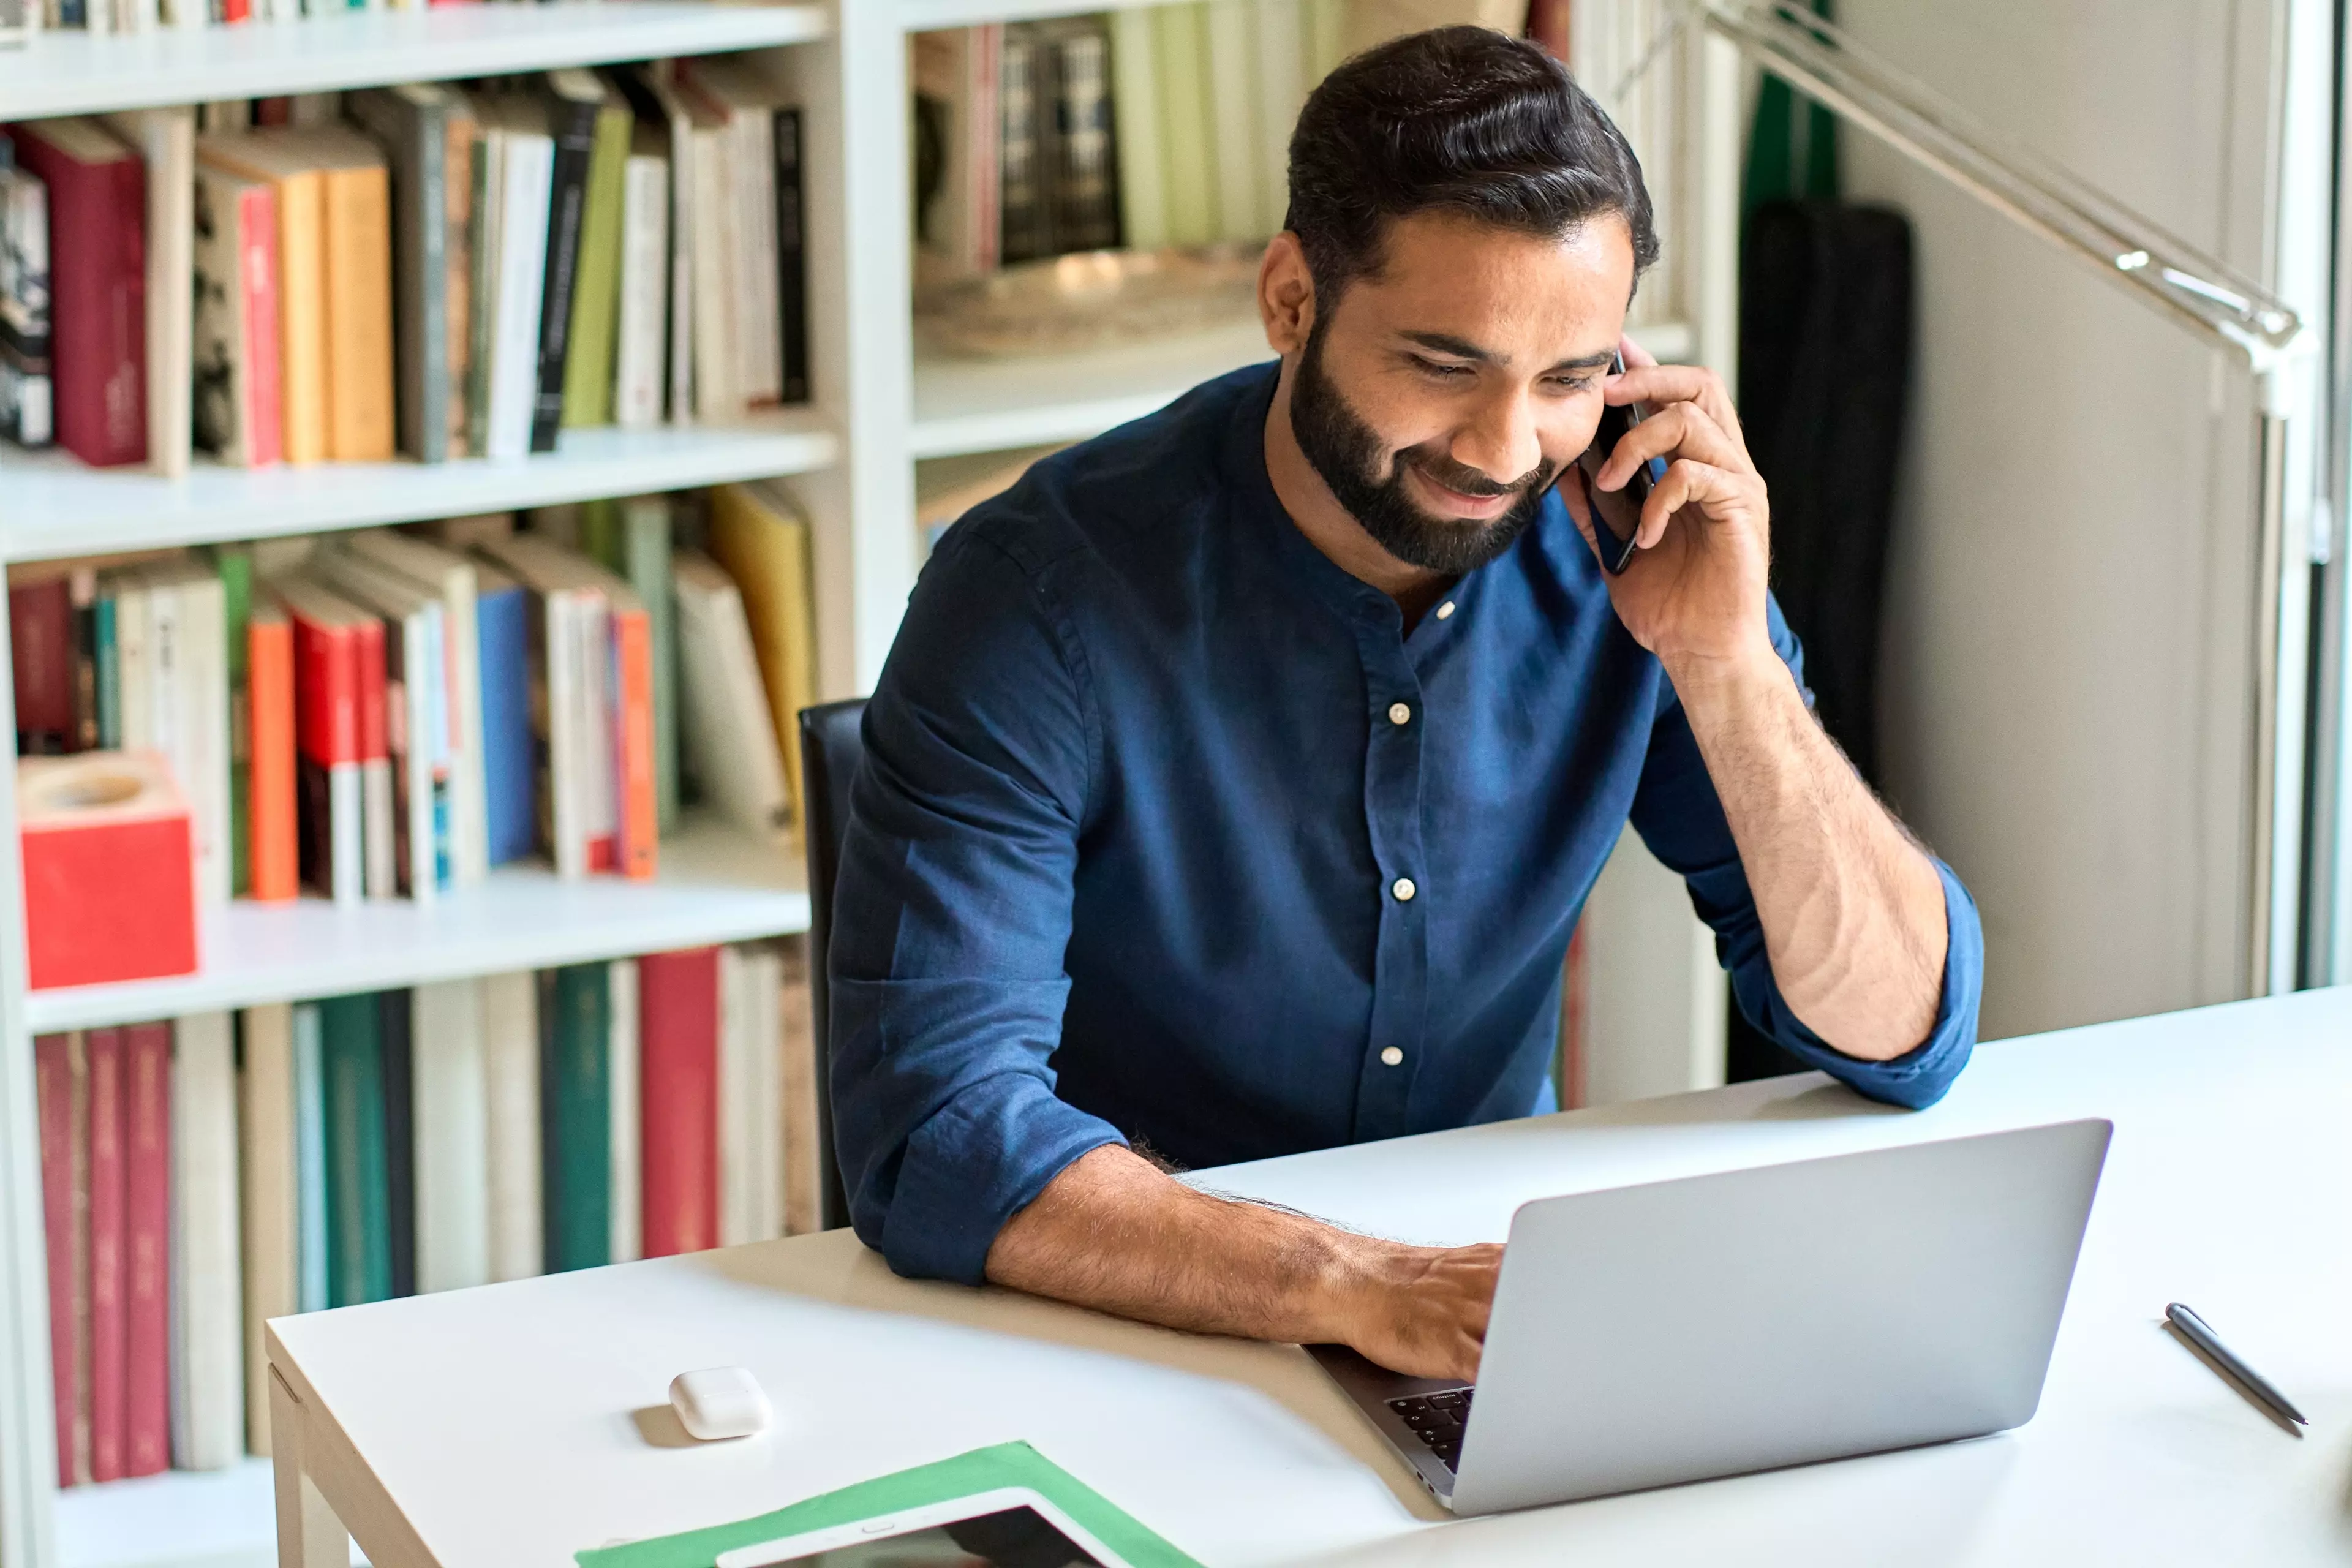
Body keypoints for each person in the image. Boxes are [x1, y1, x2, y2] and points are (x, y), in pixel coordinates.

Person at [828, 25, 1982, 1384]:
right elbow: (939, 1135)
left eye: (1566, 379)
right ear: (1290, 300)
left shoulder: (1637, 549)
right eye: (1445, 365)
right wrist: (1355, 1281)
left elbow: (1904, 1034)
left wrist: (1726, 662)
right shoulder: (1034, 594)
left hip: (1483, 1318)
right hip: (1124, 1322)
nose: (1504, 452)